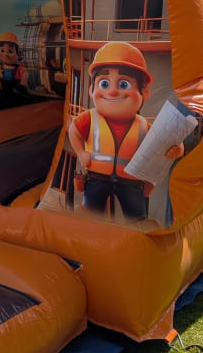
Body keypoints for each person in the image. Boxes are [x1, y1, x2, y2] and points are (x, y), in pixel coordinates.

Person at [67, 42, 182, 221]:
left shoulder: (143, 126)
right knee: (91, 214)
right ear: (91, 90)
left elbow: (164, 142)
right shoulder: (90, 117)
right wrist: (81, 153)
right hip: (97, 178)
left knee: (136, 217)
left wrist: (178, 148)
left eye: (123, 84)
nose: (112, 91)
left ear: (144, 93)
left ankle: (138, 226)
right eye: (104, 83)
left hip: (131, 182)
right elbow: (73, 131)